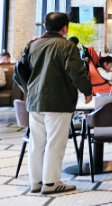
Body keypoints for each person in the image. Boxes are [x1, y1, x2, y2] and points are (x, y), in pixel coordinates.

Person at [23, 11, 93, 195]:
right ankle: (51, 183)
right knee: (55, 142)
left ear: (45, 26)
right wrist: (87, 91)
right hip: (58, 100)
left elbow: (20, 71)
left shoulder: (32, 45)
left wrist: (30, 89)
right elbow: (76, 72)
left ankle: (36, 182)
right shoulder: (67, 46)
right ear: (65, 28)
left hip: (35, 101)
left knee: (36, 142)